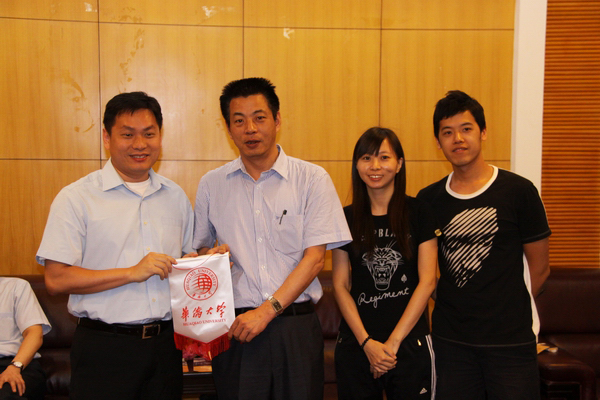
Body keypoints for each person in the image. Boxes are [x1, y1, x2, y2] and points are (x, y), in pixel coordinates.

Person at [193, 77, 352, 400]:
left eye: (259, 117)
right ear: (228, 128)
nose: (250, 129)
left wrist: (267, 311)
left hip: (294, 327)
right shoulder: (211, 185)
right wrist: (211, 256)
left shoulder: (312, 179)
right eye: (239, 120)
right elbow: (201, 252)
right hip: (237, 330)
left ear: (277, 120)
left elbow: (314, 260)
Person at [36, 92, 194, 400]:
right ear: (107, 138)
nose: (140, 144)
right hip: (104, 348)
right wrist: (131, 272)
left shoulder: (175, 196)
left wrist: (207, 262)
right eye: (128, 134)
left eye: (149, 134)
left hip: (165, 347)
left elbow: (183, 262)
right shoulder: (76, 198)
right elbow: (56, 279)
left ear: (160, 137)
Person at [417, 90, 551, 400]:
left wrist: (505, 308)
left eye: (466, 129)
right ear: (438, 141)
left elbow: (540, 269)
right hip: (451, 343)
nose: (458, 139)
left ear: (483, 132)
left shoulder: (519, 191)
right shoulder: (428, 200)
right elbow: (424, 272)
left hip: (511, 343)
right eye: (447, 132)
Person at [332, 127, 438, 400]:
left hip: (409, 343)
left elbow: (428, 281)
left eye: (384, 157)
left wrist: (392, 344)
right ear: (357, 165)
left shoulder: (420, 212)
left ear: (399, 164)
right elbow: (340, 285)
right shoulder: (344, 217)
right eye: (366, 158)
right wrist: (367, 343)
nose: (375, 166)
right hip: (356, 344)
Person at [0, 278, 51, 400]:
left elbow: (34, 333)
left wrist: (15, 367)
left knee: (7, 394)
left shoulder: (16, 286)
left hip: (16, 364)